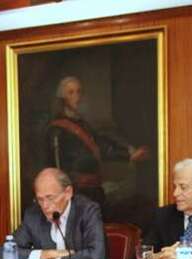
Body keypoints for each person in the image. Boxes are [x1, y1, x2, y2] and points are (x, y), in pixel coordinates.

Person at [45, 76, 149, 207]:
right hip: (75, 192)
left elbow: (100, 145)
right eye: (71, 93)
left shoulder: (82, 124)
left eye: (79, 92)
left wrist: (129, 154)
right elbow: (57, 168)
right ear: (62, 98)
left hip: (93, 189)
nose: (77, 97)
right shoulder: (57, 130)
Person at [8, 167, 106, 259]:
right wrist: (47, 254)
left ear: (68, 193)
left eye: (50, 198)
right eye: (40, 199)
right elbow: (6, 251)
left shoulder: (87, 211)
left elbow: (96, 255)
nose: (45, 205)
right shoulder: (33, 215)